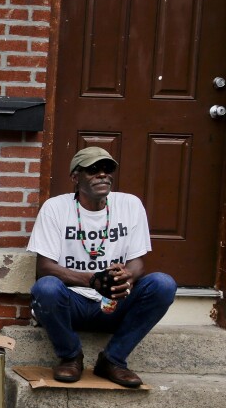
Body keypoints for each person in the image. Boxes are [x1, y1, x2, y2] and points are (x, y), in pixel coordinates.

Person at [27, 147, 177, 387]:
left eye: (107, 170)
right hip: (71, 303)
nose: (102, 175)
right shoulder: (55, 208)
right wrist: (92, 280)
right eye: (93, 170)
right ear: (76, 177)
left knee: (163, 284)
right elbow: (44, 267)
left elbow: (138, 262)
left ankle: (113, 360)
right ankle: (70, 356)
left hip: (113, 303)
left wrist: (127, 275)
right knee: (46, 288)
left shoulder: (130, 205)